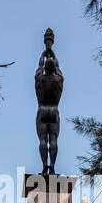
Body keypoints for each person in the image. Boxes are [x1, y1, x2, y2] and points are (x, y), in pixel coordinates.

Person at [35, 33, 64, 175]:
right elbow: (57, 66)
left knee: (42, 140)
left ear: (45, 68)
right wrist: (51, 50)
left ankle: (44, 165)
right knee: (53, 140)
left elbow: (39, 66)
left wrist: (44, 51)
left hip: (42, 110)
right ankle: (52, 165)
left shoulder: (39, 79)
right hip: (54, 110)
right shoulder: (59, 80)